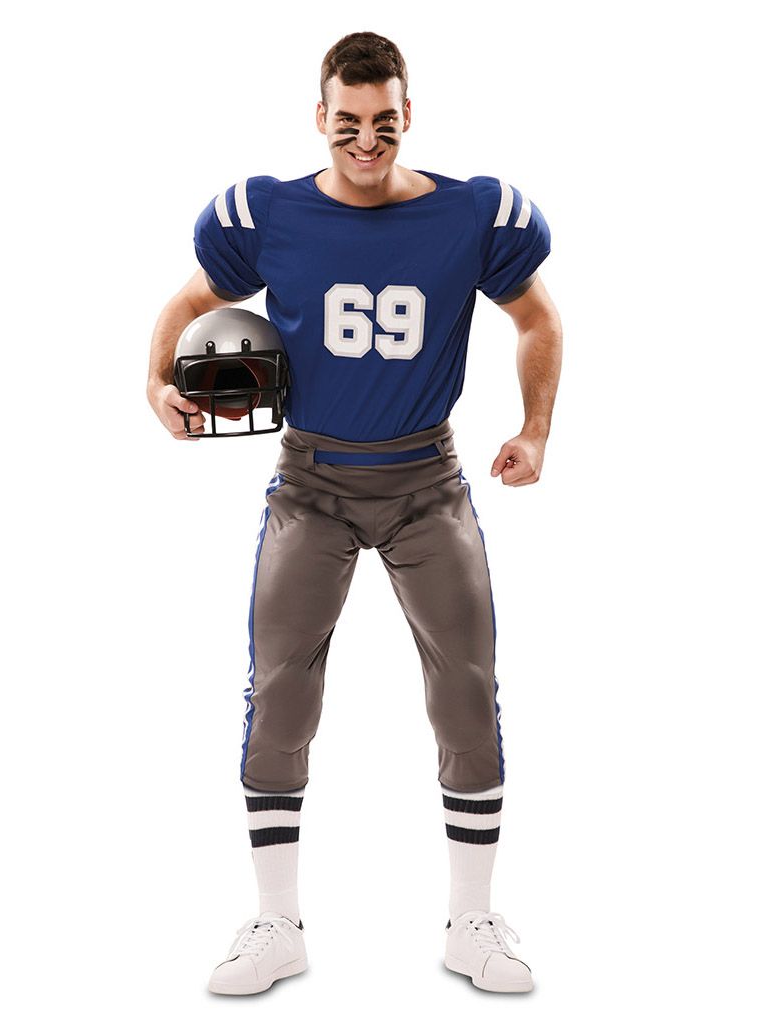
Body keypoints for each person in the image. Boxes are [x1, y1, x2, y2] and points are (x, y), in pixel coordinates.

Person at [146, 31, 562, 995]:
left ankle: (471, 920)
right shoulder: (272, 212)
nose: (366, 141)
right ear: (320, 117)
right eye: (348, 123)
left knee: (467, 689)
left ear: (407, 114)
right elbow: (190, 298)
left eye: (383, 121)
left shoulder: (473, 212)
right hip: (312, 482)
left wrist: (536, 430)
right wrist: (154, 382)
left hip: (427, 481)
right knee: (280, 694)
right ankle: (276, 921)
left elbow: (538, 316)